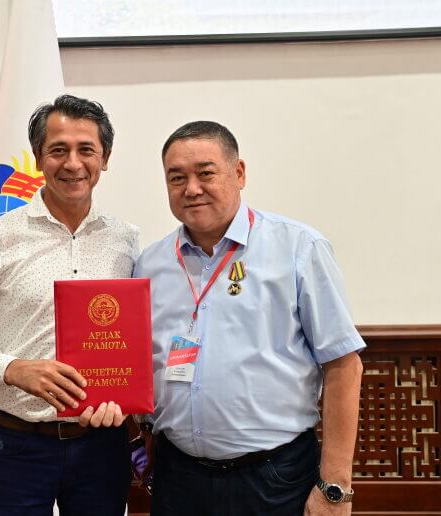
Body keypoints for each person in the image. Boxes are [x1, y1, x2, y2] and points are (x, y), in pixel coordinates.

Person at [134, 121, 365, 515]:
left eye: (205, 173)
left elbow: (344, 365)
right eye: (177, 178)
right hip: (179, 478)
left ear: (239, 173)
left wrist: (336, 487)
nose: (192, 188)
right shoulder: (150, 264)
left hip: (274, 478)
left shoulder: (298, 248)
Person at [0, 95, 138, 516]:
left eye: (86, 150)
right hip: (18, 445)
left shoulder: (126, 240)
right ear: (38, 158)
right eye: (58, 150)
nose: (73, 163)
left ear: (105, 159)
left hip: (102, 447)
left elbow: (132, 338)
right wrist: (14, 369)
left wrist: (124, 398)